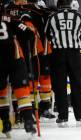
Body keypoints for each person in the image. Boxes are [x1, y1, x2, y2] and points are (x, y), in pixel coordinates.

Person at [45, 0, 81, 127]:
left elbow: (47, 35)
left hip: (58, 54)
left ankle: (63, 117)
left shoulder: (52, 17)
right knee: (77, 85)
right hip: (75, 53)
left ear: (59, 4)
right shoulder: (78, 17)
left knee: (60, 86)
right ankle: (80, 116)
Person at [0, 4, 36, 136]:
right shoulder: (10, 18)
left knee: (1, 93)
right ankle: (28, 122)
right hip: (15, 58)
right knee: (22, 91)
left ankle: (5, 123)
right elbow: (29, 33)